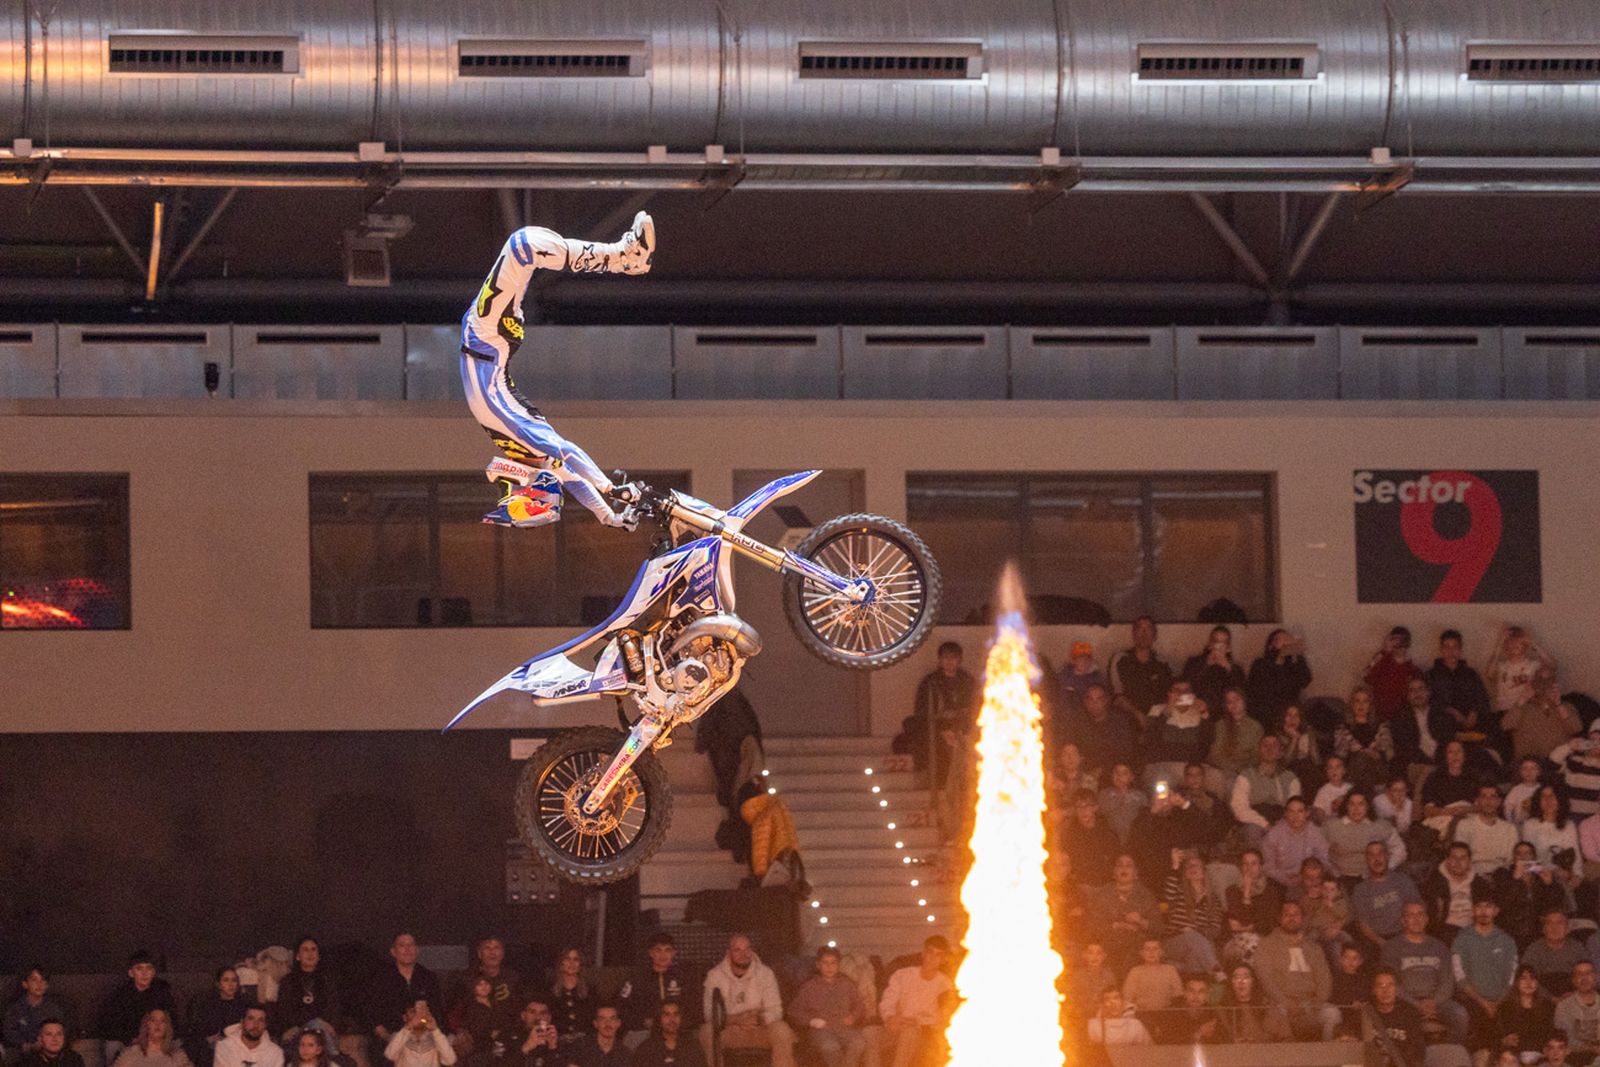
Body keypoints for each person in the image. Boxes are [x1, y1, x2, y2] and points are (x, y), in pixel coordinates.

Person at [459, 212, 653, 529]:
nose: (505, 482)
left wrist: (609, 489)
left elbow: (568, 456)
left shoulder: (527, 444)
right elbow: (572, 472)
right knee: (524, 245)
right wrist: (610, 516)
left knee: (524, 246)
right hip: (488, 338)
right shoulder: (534, 453)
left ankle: (624, 258)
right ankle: (624, 258)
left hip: (486, 338)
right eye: (510, 489)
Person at [698, 935, 794, 1067]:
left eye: (747, 949)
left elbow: (776, 1010)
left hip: (759, 1029)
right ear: (728, 953)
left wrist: (759, 1019)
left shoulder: (765, 973)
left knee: (782, 1029)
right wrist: (736, 1019)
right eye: (737, 950)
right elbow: (710, 1014)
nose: (744, 954)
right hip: (730, 1031)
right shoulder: (714, 976)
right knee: (707, 1031)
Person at [1381, 900, 1469, 1041]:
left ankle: (1448, 1054)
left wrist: (1433, 1002)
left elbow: (1447, 981)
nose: (1416, 919)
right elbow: (1392, 983)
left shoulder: (1439, 947)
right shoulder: (1391, 948)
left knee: (1460, 1014)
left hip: (1437, 1002)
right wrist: (1416, 1004)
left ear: (1426, 919)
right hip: (1405, 1001)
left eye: (1420, 914)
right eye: (1410, 915)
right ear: (1403, 921)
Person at [1254, 901, 1341, 1039]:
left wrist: (1318, 1002)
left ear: (1302, 918)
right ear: (1279, 918)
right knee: (1276, 1015)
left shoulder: (1313, 947)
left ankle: (1328, 1056)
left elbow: (1324, 978)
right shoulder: (1266, 945)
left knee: (1332, 1013)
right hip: (1280, 1005)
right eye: (1287, 914)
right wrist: (1286, 1002)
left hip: (1311, 1005)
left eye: (1296, 914)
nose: (1292, 918)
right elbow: (1266, 980)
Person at [1452, 892, 1519, 1053]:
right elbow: (1459, 975)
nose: (1483, 911)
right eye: (1479, 907)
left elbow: (1511, 976)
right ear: (1473, 911)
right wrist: (1483, 1002)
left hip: (1501, 1002)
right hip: (1472, 1001)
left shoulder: (1507, 941)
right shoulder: (1462, 939)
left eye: (1488, 907)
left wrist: (1497, 1002)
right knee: (1482, 1044)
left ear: (1496, 911)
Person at [901, 641, 978, 780]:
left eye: (953, 657)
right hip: (937, 726)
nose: (949, 661)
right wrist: (942, 723)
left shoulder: (967, 681)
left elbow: (974, 706)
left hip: (963, 725)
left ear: (959, 660)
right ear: (940, 659)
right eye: (945, 657)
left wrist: (959, 718)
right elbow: (922, 709)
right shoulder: (930, 682)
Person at [876, 938, 952, 1067]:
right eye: (930, 952)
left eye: (938, 955)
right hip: (894, 1024)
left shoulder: (945, 985)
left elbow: (943, 1016)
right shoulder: (903, 975)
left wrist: (918, 1021)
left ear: (944, 959)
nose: (932, 958)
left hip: (918, 1028)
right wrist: (889, 1017)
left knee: (910, 1032)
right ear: (923, 953)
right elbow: (887, 1000)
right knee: (869, 1034)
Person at [785, 948, 865, 1067]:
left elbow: (859, 1005)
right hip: (821, 1029)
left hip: (843, 1026)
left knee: (859, 1042)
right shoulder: (809, 986)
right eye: (825, 963)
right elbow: (793, 1011)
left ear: (839, 965)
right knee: (831, 1046)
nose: (829, 967)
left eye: (833, 963)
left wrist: (853, 1016)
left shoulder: (847, 984)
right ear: (818, 965)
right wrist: (811, 1021)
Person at [97, 952, 180, 1067]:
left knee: (178, 1043)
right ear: (131, 973)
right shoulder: (120, 995)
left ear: (154, 972)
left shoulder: (163, 992)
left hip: (157, 1038)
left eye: (148, 968)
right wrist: (132, 1038)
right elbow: (110, 1026)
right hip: (130, 1039)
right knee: (112, 1045)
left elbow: (173, 1020)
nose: (144, 973)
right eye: (139, 969)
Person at [1087, 854, 1163, 969]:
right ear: (1113, 872)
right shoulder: (1103, 894)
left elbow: (1158, 928)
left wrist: (1141, 921)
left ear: (1136, 873)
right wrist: (1117, 925)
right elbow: (1093, 925)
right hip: (1108, 946)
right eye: (1120, 865)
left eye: (1129, 866)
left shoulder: (1146, 895)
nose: (1124, 869)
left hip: (1137, 948)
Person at [618, 933, 693, 1046]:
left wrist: (678, 1023)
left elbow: (692, 1007)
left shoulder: (683, 978)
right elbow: (621, 1006)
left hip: (676, 1031)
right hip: (644, 1031)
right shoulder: (636, 978)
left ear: (674, 953)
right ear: (651, 953)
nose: (663, 955)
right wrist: (642, 1022)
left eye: (667, 950)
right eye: (658, 950)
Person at [370, 935, 444, 1047]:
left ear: (417, 950)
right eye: (402, 945)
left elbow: (438, 1010)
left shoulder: (428, 977)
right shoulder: (381, 978)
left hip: (426, 1034)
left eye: (411, 945)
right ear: (393, 951)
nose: (407, 949)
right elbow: (374, 1013)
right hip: (393, 1035)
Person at [1352, 841, 1423, 950]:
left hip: (1405, 935)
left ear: (1387, 856)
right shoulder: (1360, 890)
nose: (1377, 859)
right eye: (1371, 855)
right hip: (1378, 941)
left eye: (1380, 853)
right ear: (1366, 860)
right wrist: (1383, 943)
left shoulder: (1403, 880)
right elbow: (1364, 925)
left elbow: (1418, 911)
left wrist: (1410, 936)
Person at [1231, 735, 1302, 842]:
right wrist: (1265, 824)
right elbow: (1239, 807)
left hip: (1282, 821)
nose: (1269, 748)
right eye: (1265, 745)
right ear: (1259, 750)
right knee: (1252, 830)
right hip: (1256, 821)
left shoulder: (1290, 778)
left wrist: (1280, 827)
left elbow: (1294, 808)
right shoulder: (1246, 776)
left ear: (1280, 752)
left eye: (1274, 745)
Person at [1498, 843, 1571, 946]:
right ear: (1513, 858)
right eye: (1518, 854)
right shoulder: (1503, 874)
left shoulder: (1540, 876)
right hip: (1511, 931)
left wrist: (1550, 884)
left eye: (1527, 854)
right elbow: (1502, 904)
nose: (1523, 857)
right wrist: (1516, 880)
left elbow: (1556, 904)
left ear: (1534, 857)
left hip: (1537, 932)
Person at [1161, 854, 1224, 973]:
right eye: (1189, 866)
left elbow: (1215, 930)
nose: (1192, 868)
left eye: (1196, 865)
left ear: (1204, 871)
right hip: (1173, 943)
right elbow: (1168, 894)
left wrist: (1196, 931)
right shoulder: (1178, 891)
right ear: (1185, 873)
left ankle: (1197, 981)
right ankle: (1218, 974)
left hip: (1198, 944)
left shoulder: (1213, 900)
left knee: (1195, 951)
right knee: (1192, 938)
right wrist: (1175, 866)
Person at [274, 939, 342, 1047]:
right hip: (296, 1032)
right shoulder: (287, 981)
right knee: (317, 1024)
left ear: (319, 956)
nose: (310, 953)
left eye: (313, 949)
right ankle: (334, 1058)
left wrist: (329, 1025)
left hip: (322, 1033)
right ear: (297, 956)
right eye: (305, 950)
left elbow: (334, 1009)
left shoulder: (327, 981)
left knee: (320, 1028)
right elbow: (284, 1011)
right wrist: (309, 1023)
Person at [1065, 684, 1142, 780]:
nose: (1094, 704)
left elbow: (1126, 752)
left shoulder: (1119, 721)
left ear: (1106, 701)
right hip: (1085, 772)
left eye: (1099, 699)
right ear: (1085, 702)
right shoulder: (1079, 722)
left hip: (1114, 774)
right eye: (1090, 699)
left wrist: (1103, 769)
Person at [1325, 791, 1407, 881]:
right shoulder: (1332, 826)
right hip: (1341, 879)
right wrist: (1333, 872)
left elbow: (1400, 849)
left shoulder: (1380, 825)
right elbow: (1322, 853)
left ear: (1368, 806)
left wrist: (1387, 868)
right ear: (1346, 806)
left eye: (1361, 804)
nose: (1356, 809)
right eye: (1352, 804)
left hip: (1372, 878)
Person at [1427, 630, 1492, 742]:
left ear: (1460, 649)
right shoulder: (1431, 674)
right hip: (1445, 724)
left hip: (1472, 722)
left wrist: (1474, 712)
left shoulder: (1471, 673)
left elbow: (1482, 697)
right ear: (1441, 649)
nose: (1451, 651)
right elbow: (1429, 701)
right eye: (1447, 647)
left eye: (1455, 647)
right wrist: (1452, 711)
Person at [1505, 670, 1583, 764]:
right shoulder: (1523, 707)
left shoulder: (1566, 707)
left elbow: (1576, 728)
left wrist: (1558, 704)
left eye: (1550, 685)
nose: (1546, 689)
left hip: (1558, 763)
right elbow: (1506, 725)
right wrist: (1523, 698)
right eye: (1541, 684)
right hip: (1529, 766)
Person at [1393, 674, 1458, 780]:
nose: (1417, 693)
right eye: (1412, 690)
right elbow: (1405, 749)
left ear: (1428, 692)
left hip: (1442, 762)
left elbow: (1448, 742)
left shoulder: (1442, 715)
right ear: (1408, 695)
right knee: (1427, 773)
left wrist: (1439, 763)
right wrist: (1429, 765)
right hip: (1416, 764)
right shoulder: (1400, 719)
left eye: (1420, 689)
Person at [1223, 849, 1281, 968]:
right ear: (1241, 867)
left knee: (1256, 949)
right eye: (1245, 864)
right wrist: (1246, 893)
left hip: (1264, 937)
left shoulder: (1271, 891)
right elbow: (1236, 924)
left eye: (1254, 863)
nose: (1249, 868)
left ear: (1260, 867)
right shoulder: (1232, 891)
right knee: (1250, 950)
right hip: (1238, 939)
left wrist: (1248, 926)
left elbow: (1270, 922)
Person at [1425, 842, 1491, 942]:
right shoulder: (1434, 883)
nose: (1458, 862)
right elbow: (1432, 919)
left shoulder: (1479, 884)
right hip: (1445, 932)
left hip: (1473, 929)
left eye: (1463, 858)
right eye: (1453, 857)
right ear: (1447, 860)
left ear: (1469, 861)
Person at [1109, 616, 1174, 716]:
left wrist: (1153, 716)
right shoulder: (1120, 659)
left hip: (1157, 717)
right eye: (1140, 628)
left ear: (1155, 635)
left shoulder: (1164, 662)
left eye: (1148, 629)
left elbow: (1169, 695)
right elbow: (1117, 695)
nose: (1144, 633)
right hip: (1127, 715)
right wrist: (1137, 713)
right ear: (1134, 634)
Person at [1334, 687, 1396, 791]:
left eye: (1365, 701)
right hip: (1353, 771)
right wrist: (1357, 754)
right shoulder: (1342, 727)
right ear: (1352, 704)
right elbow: (1340, 756)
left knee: (1368, 761)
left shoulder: (1381, 726)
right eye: (1357, 701)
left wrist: (1378, 755)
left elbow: (1389, 754)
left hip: (1377, 768)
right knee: (1362, 758)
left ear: (1370, 705)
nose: (1361, 705)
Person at [1247, 629, 1312, 725]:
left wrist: (1298, 655)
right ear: (1270, 646)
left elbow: (1306, 680)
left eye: (1287, 639)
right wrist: (1277, 653)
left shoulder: (1292, 666)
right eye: (1280, 639)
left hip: (1289, 717)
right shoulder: (1260, 664)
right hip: (1266, 715)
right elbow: (1267, 686)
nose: (1285, 642)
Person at [1262, 796, 1330, 888]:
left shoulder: (1316, 833)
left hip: (1310, 880)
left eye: (1300, 811)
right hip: (1281, 881)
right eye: (1291, 811)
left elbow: (1324, 860)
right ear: (1285, 813)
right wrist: (1286, 880)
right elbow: (1269, 867)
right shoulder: (1273, 835)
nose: (1295, 816)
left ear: (1307, 813)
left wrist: (1310, 878)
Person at [1207, 688, 1265, 794]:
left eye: (1237, 699)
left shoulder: (1256, 727)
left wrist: (1243, 771)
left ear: (1244, 701)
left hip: (1246, 772)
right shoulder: (1220, 725)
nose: (1234, 704)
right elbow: (1215, 754)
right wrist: (1231, 768)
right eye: (1229, 702)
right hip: (1222, 770)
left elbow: (1257, 756)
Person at [1487, 626, 1556, 715]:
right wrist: (1499, 643)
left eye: (1517, 641)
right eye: (1510, 641)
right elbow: (1489, 674)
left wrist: (1533, 643)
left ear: (1524, 644)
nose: (1514, 644)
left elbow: (1553, 666)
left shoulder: (1532, 665)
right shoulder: (1502, 666)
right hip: (1504, 711)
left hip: (1524, 710)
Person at [1365, 968, 1429, 1065]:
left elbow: (1418, 1051)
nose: (1385, 990)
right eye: (1380, 985)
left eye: (1390, 985)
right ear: (1373, 990)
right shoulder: (1366, 1012)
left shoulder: (1409, 1013)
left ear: (1397, 989)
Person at [4, 967, 70, 1058]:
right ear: (25, 984)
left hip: (49, 1054)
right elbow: (8, 1031)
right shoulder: (15, 1008)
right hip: (21, 1054)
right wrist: (24, 1044)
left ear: (47, 985)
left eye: (43, 980)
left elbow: (63, 1031)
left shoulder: (54, 1009)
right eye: (34, 980)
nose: (39, 984)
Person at [1455, 784, 1520, 876]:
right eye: (1484, 796)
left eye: (1493, 797)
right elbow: (1460, 857)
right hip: (1473, 875)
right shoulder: (1465, 825)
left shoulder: (1509, 829)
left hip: (1501, 876)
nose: (1488, 801)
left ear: (1499, 801)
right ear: (1477, 801)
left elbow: (1511, 861)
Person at [1182, 627, 1247, 718]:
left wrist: (1228, 668)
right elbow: (1185, 687)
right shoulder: (1194, 662)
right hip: (1195, 712)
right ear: (1210, 644)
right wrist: (1206, 665)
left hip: (1223, 717)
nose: (1218, 645)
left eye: (1223, 642)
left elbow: (1240, 696)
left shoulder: (1236, 669)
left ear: (1228, 648)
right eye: (1216, 641)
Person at [1215, 964, 1290, 1043]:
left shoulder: (1269, 1008)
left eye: (1246, 977)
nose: (1241, 981)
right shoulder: (1223, 1011)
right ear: (1231, 982)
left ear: (1253, 982)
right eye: (1236, 977)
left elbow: (1287, 1039)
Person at [1059, 789, 1121, 885]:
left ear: (1095, 807)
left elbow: (1115, 856)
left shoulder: (1107, 831)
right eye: (1079, 806)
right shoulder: (1070, 835)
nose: (1083, 810)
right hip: (1081, 884)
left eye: (1087, 806)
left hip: (1106, 884)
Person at [1422, 741, 1482, 835]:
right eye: (1450, 752)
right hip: (1443, 818)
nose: (1455, 755)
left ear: (1464, 755)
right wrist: (1449, 811)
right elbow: (1427, 811)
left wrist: (1466, 809)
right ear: (1445, 756)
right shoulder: (1434, 777)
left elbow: (1483, 805)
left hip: (1469, 817)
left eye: (1459, 751)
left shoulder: (1474, 776)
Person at [1498, 966, 1558, 1061]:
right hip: (1515, 1057)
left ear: (1537, 983)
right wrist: (1505, 1041)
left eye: (1532, 978)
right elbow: (1501, 1036)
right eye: (1523, 978)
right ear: (1517, 982)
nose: (1528, 982)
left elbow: (1552, 1034)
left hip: (1541, 1056)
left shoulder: (1548, 1007)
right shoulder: (1506, 1008)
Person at [1524, 912, 1588, 998]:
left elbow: (1588, 976)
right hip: (1541, 998)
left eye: (1560, 923)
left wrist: (1575, 994)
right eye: (1549, 923)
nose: (1554, 928)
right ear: (1543, 929)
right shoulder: (1533, 949)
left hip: (1574, 996)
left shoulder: (1578, 948)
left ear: (1568, 929)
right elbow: (1526, 979)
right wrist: (1551, 998)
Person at [1365, 626, 1423, 720]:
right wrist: (1384, 651)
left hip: (1406, 720)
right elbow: (1366, 676)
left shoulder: (1414, 671)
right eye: (1395, 641)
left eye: (1403, 641)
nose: (1399, 645)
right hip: (1381, 719)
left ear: (1408, 643)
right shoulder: (1381, 663)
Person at [628, 1002, 705, 1067]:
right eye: (667, 1015)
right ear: (659, 1019)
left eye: (676, 1014)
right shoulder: (646, 1049)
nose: (672, 1019)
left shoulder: (693, 1047)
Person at [1553, 962, 1600, 1065]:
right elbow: (1563, 1039)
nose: (1584, 978)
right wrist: (1591, 1048)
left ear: (1596, 977)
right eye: (1579, 974)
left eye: (1588, 973)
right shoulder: (1563, 1006)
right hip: (1575, 1057)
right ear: (1573, 980)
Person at [547, 949, 596, 1047]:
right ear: (561, 963)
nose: (571, 963)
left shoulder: (591, 991)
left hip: (585, 1045)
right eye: (567, 959)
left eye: (576, 959)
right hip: (557, 1044)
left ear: (580, 965)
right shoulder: (549, 991)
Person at [1121, 938, 1184, 1014]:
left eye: (1155, 949)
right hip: (1142, 1014)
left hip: (1166, 1014)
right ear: (1142, 953)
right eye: (1147, 949)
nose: (1151, 952)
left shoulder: (1170, 970)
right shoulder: (1135, 971)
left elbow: (1178, 996)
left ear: (1161, 952)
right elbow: (1127, 998)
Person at [382, 1003, 455, 1067]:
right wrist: (408, 1027)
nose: (418, 1016)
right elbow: (390, 1055)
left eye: (423, 1011)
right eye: (413, 1012)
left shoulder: (437, 1037)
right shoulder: (399, 1036)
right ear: (404, 1017)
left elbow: (450, 1060)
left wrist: (435, 1031)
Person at [111, 1011, 191, 1067]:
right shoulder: (131, 1054)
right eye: (153, 1020)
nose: (158, 1024)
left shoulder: (178, 1056)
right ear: (147, 1026)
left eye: (162, 1021)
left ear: (167, 1027)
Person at [213, 1007, 285, 1067]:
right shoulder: (224, 1047)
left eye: (261, 1020)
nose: (256, 1025)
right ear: (242, 1022)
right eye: (251, 1018)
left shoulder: (275, 1053)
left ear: (265, 1025)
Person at [1086, 989, 1152, 1046]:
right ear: (1102, 1005)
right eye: (1107, 999)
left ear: (1123, 1003)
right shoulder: (1093, 1026)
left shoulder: (1135, 1025)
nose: (1113, 1004)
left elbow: (1150, 1051)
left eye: (1116, 998)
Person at [506, 999, 560, 1067]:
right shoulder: (507, 1037)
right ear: (523, 1015)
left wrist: (552, 1048)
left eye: (543, 1013)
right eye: (532, 1012)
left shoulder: (559, 1040)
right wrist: (525, 1048)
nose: (538, 1017)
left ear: (549, 1018)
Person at [1059, 640, 1107, 709]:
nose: (1083, 662)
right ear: (1073, 661)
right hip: (1069, 710)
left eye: (1086, 659)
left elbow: (1102, 697)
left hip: (1090, 711)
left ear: (1091, 660)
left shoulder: (1097, 676)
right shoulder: (1065, 675)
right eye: (1080, 659)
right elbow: (1061, 696)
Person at [17, 1019, 85, 1067]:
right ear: (40, 1039)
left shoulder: (74, 1059)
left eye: (59, 1034)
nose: (55, 1039)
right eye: (49, 1034)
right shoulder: (27, 1063)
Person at [1311, 755, 1352, 823]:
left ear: (1344, 770)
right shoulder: (1323, 791)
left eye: (1338, 767)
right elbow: (1319, 813)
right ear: (1326, 771)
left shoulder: (1350, 788)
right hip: (1333, 824)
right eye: (1330, 768)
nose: (1334, 770)